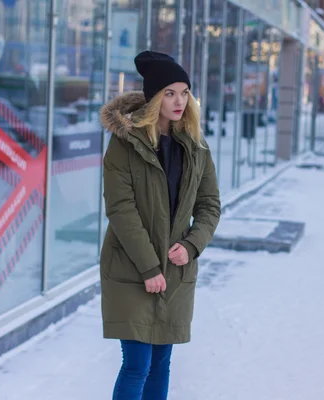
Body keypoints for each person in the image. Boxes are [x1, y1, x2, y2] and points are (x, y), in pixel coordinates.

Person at [99, 50, 221, 400]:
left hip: (176, 270)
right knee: (137, 363)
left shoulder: (196, 145)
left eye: (184, 92)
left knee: (161, 363)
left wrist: (193, 243)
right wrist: (150, 266)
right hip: (132, 266)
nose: (179, 100)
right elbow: (121, 208)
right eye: (170, 92)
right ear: (154, 97)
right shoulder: (125, 142)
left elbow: (210, 204)